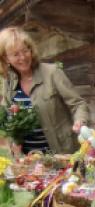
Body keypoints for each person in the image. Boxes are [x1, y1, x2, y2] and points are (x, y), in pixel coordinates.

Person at [0, 26, 90, 154]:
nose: (23, 57)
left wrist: (80, 121)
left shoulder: (52, 73)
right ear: (6, 58)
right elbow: (7, 117)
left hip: (61, 153)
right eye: (15, 54)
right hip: (28, 160)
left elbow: (78, 104)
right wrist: (13, 140)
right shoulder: (8, 83)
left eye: (25, 51)